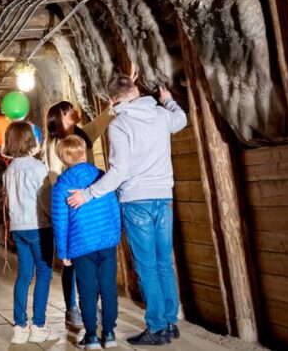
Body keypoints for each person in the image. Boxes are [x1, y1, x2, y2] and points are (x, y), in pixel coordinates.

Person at [67, 75, 187, 346]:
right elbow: (181, 120)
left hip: (136, 201)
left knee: (147, 266)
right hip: (163, 197)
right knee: (164, 263)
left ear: (112, 100)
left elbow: (119, 171)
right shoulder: (160, 114)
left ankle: (156, 327)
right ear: (135, 91)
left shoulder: (119, 124)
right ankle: (170, 323)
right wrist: (169, 101)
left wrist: (87, 194)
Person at [45, 100, 114, 327]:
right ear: (60, 118)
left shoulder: (83, 134)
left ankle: (91, 304)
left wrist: (113, 105)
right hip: (71, 203)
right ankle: (71, 307)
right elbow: (55, 176)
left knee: (90, 258)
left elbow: (103, 121)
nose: (74, 112)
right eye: (69, 111)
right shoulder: (54, 143)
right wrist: (65, 202)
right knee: (72, 261)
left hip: (90, 202)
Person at [51, 135, 121, 350]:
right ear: (84, 153)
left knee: (87, 290)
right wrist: (115, 235)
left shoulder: (61, 185)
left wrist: (63, 252)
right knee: (108, 287)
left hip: (81, 245)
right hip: (107, 242)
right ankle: (109, 333)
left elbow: (60, 222)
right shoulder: (101, 177)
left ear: (63, 159)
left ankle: (91, 336)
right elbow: (114, 208)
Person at [1, 121, 58, 344]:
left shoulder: (8, 171)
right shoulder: (38, 168)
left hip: (18, 228)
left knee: (24, 274)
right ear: (30, 141)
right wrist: (55, 219)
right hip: (38, 226)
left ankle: (20, 327)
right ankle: (39, 325)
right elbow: (45, 200)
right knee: (44, 273)